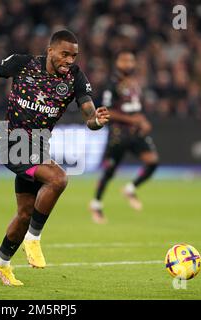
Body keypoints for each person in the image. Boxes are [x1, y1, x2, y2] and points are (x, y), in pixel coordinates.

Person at [0, 30, 110, 286]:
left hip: (38, 146)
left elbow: (89, 114)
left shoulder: (75, 77)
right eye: (64, 54)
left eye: (74, 55)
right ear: (50, 50)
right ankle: (33, 238)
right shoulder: (23, 63)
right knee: (59, 178)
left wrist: (96, 120)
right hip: (12, 140)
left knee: (24, 213)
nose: (69, 60)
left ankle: (0, 262)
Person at [89, 50, 159, 224]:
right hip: (119, 134)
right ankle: (96, 204)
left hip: (135, 132)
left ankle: (130, 188)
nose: (128, 64)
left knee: (152, 161)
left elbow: (133, 108)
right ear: (118, 63)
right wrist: (133, 120)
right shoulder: (111, 84)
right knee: (110, 171)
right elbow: (107, 111)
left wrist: (142, 120)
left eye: (131, 61)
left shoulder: (134, 83)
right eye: (124, 60)